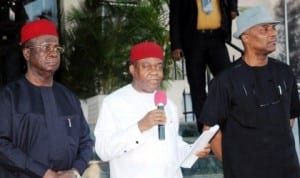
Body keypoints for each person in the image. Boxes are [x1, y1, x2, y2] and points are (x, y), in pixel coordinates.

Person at [200, 6, 300, 178]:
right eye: (264, 29)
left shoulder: (285, 72)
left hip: (288, 170)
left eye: (273, 28)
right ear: (245, 37)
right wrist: (237, 165)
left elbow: (289, 120)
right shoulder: (225, 81)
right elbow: (211, 133)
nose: (273, 33)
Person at [94, 41, 211, 178]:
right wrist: (140, 127)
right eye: (146, 66)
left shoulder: (168, 105)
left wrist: (193, 150)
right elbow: (103, 150)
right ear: (133, 70)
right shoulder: (114, 103)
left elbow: (173, 146)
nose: (154, 72)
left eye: (158, 67)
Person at [0, 19, 93, 178]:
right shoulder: (8, 96)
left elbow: (86, 142)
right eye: (45, 47)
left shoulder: (69, 97)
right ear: (27, 53)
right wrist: (42, 172)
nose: (53, 52)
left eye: (57, 47)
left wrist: (75, 171)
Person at [169, 0, 238, 131]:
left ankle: (231, 126)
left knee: (228, 82)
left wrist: (233, 7)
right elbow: (175, 16)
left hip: (217, 38)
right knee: (197, 88)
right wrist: (176, 45)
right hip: (194, 40)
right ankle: (205, 133)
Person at [0, 0, 28, 87]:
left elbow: (23, 22)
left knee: (12, 76)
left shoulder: (17, 4)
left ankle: (11, 98)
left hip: (13, 45)